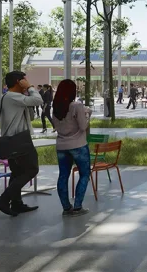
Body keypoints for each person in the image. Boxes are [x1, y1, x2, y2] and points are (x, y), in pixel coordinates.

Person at [0, 71, 43, 217]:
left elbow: (31, 115)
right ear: (18, 82)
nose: (27, 82)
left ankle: (16, 203)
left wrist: (27, 95)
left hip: (13, 140)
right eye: (24, 80)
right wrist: (31, 88)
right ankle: (3, 200)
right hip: (18, 141)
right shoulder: (12, 96)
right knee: (32, 169)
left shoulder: (12, 97)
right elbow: (38, 101)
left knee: (17, 173)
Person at [52, 79, 92, 217]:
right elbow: (83, 126)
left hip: (61, 145)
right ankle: (77, 206)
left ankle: (66, 207)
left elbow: (57, 127)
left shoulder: (56, 107)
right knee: (85, 174)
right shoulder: (76, 106)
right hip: (78, 145)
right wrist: (87, 114)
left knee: (63, 176)